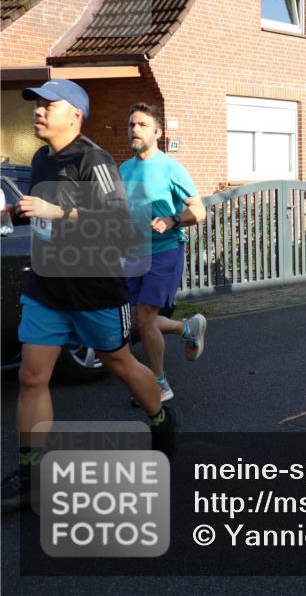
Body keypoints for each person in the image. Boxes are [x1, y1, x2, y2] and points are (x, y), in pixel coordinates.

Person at [2, 80, 177, 512]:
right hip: (47, 287)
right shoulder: (41, 159)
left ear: (75, 114)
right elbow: (44, 210)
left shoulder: (94, 160)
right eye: (36, 105)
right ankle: (31, 472)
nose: (38, 112)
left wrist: (58, 212)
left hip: (95, 288)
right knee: (31, 376)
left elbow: (119, 225)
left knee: (119, 362)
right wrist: (15, 211)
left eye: (49, 105)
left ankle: (159, 416)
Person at [120, 102, 207, 407]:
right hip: (134, 253)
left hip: (166, 251)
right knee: (134, 323)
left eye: (142, 124)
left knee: (145, 317)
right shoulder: (124, 168)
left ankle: (158, 384)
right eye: (131, 124)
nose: (135, 129)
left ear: (157, 131)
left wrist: (171, 220)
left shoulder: (171, 167)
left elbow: (199, 211)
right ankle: (187, 328)